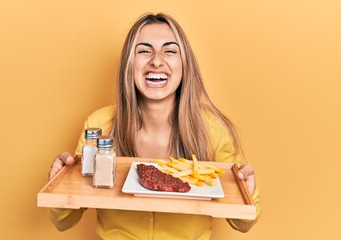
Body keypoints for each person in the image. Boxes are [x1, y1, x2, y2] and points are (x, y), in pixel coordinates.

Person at [48, 13, 261, 239]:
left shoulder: (214, 130)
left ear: (185, 64)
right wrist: (57, 184)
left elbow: (243, 222)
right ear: (129, 65)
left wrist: (248, 193)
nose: (157, 60)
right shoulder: (99, 127)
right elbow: (64, 221)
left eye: (169, 50)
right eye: (144, 50)